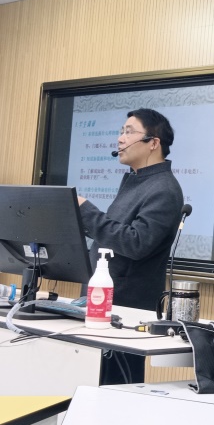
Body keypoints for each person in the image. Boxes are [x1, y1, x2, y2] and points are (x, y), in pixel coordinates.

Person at [78, 108, 184, 311]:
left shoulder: (164, 189)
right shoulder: (137, 180)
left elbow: (136, 243)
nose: (120, 139)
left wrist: (86, 211)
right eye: (121, 132)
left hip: (128, 306)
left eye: (129, 132)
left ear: (153, 143)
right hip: (104, 298)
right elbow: (114, 233)